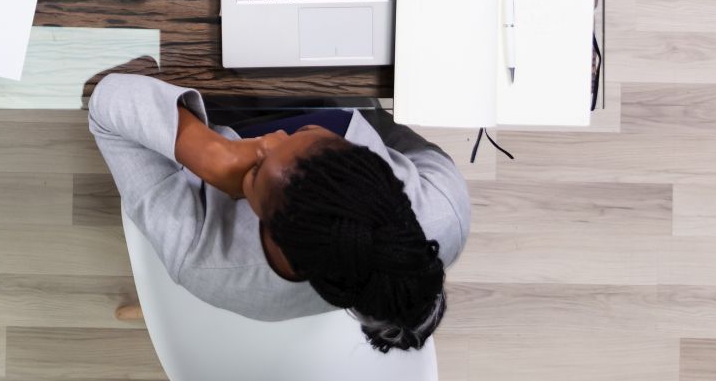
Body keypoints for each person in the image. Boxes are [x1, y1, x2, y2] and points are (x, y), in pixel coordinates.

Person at [89, 72, 469, 352]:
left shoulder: (204, 262)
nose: (273, 139)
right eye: (317, 139)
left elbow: (108, 104)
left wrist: (214, 153)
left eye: (256, 175)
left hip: (211, 120)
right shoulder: (445, 208)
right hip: (336, 93)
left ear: (280, 256)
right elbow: (393, 131)